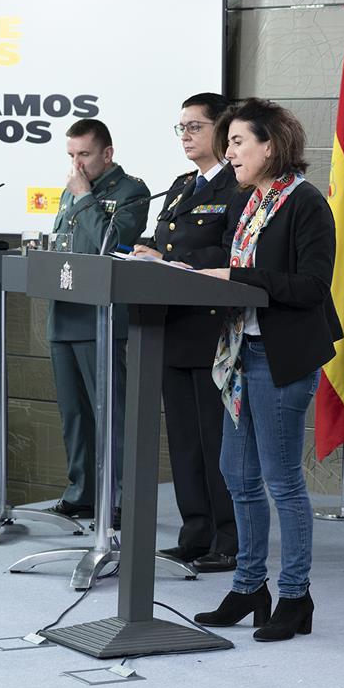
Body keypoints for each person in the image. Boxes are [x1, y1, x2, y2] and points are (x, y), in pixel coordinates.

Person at [193, 98, 342, 642]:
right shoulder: (246, 203)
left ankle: (295, 597)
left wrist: (241, 278)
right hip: (239, 353)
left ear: (269, 146)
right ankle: (249, 585)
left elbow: (311, 287)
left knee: (281, 480)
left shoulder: (305, 203)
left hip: (282, 356)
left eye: (236, 142)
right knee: (237, 474)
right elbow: (231, 268)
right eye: (227, 141)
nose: (227, 151)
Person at [132, 93, 239, 573]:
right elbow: (162, 241)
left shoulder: (238, 187)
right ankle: (195, 532)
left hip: (213, 325)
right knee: (184, 438)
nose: (187, 136)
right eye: (181, 128)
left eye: (195, 126)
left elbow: (232, 255)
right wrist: (144, 252)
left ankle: (228, 538)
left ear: (222, 128)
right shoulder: (180, 186)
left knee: (217, 438)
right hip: (171, 323)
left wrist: (172, 262)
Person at [44, 119, 148, 526]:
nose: (77, 165)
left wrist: (85, 198)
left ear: (107, 153)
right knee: (74, 413)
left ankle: (122, 496)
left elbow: (110, 245)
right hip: (64, 314)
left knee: (111, 412)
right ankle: (82, 491)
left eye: (84, 155)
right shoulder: (73, 190)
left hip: (101, 318)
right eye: (71, 156)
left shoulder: (130, 191)